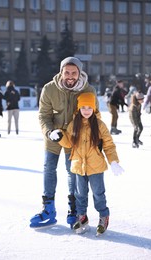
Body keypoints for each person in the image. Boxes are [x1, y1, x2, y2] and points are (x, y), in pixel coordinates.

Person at [29, 57, 99, 229]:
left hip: (74, 138)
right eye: (66, 72)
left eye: (73, 73)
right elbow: (43, 115)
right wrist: (49, 131)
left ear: (79, 73)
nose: (70, 76)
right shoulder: (49, 88)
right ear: (61, 72)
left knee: (72, 171)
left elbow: (94, 116)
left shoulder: (88, 90)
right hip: (54, 135)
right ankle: (48, 209)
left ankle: (73, 209)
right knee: (48, 168)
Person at [50, 92, 123, 234]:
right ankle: (82, 217)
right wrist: (59, 135)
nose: (86, 111)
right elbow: (69, 143)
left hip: (95, 166)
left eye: (90, 107)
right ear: (79, 109)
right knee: (80, 194)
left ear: (94, 108)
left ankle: (103, 216)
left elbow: (108, 144)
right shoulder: (73, 125)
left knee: (98, 193)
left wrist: (113, 161)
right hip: (78, 166)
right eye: (83, 108)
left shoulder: (100, 125)